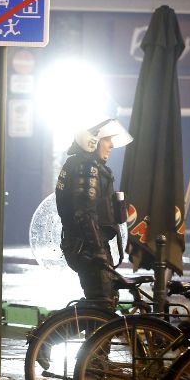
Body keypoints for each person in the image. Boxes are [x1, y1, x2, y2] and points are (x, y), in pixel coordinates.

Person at [56, 118, 133, 307]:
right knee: (102, 304)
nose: (111, 145)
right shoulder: (87, 168)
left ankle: (60, 331)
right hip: (87, 248)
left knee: (105, 301)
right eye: (107, 140)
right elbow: (84, 212)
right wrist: (98, 251)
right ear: (93, 141)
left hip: (89, 245)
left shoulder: (87, 165)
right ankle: (52, 333)